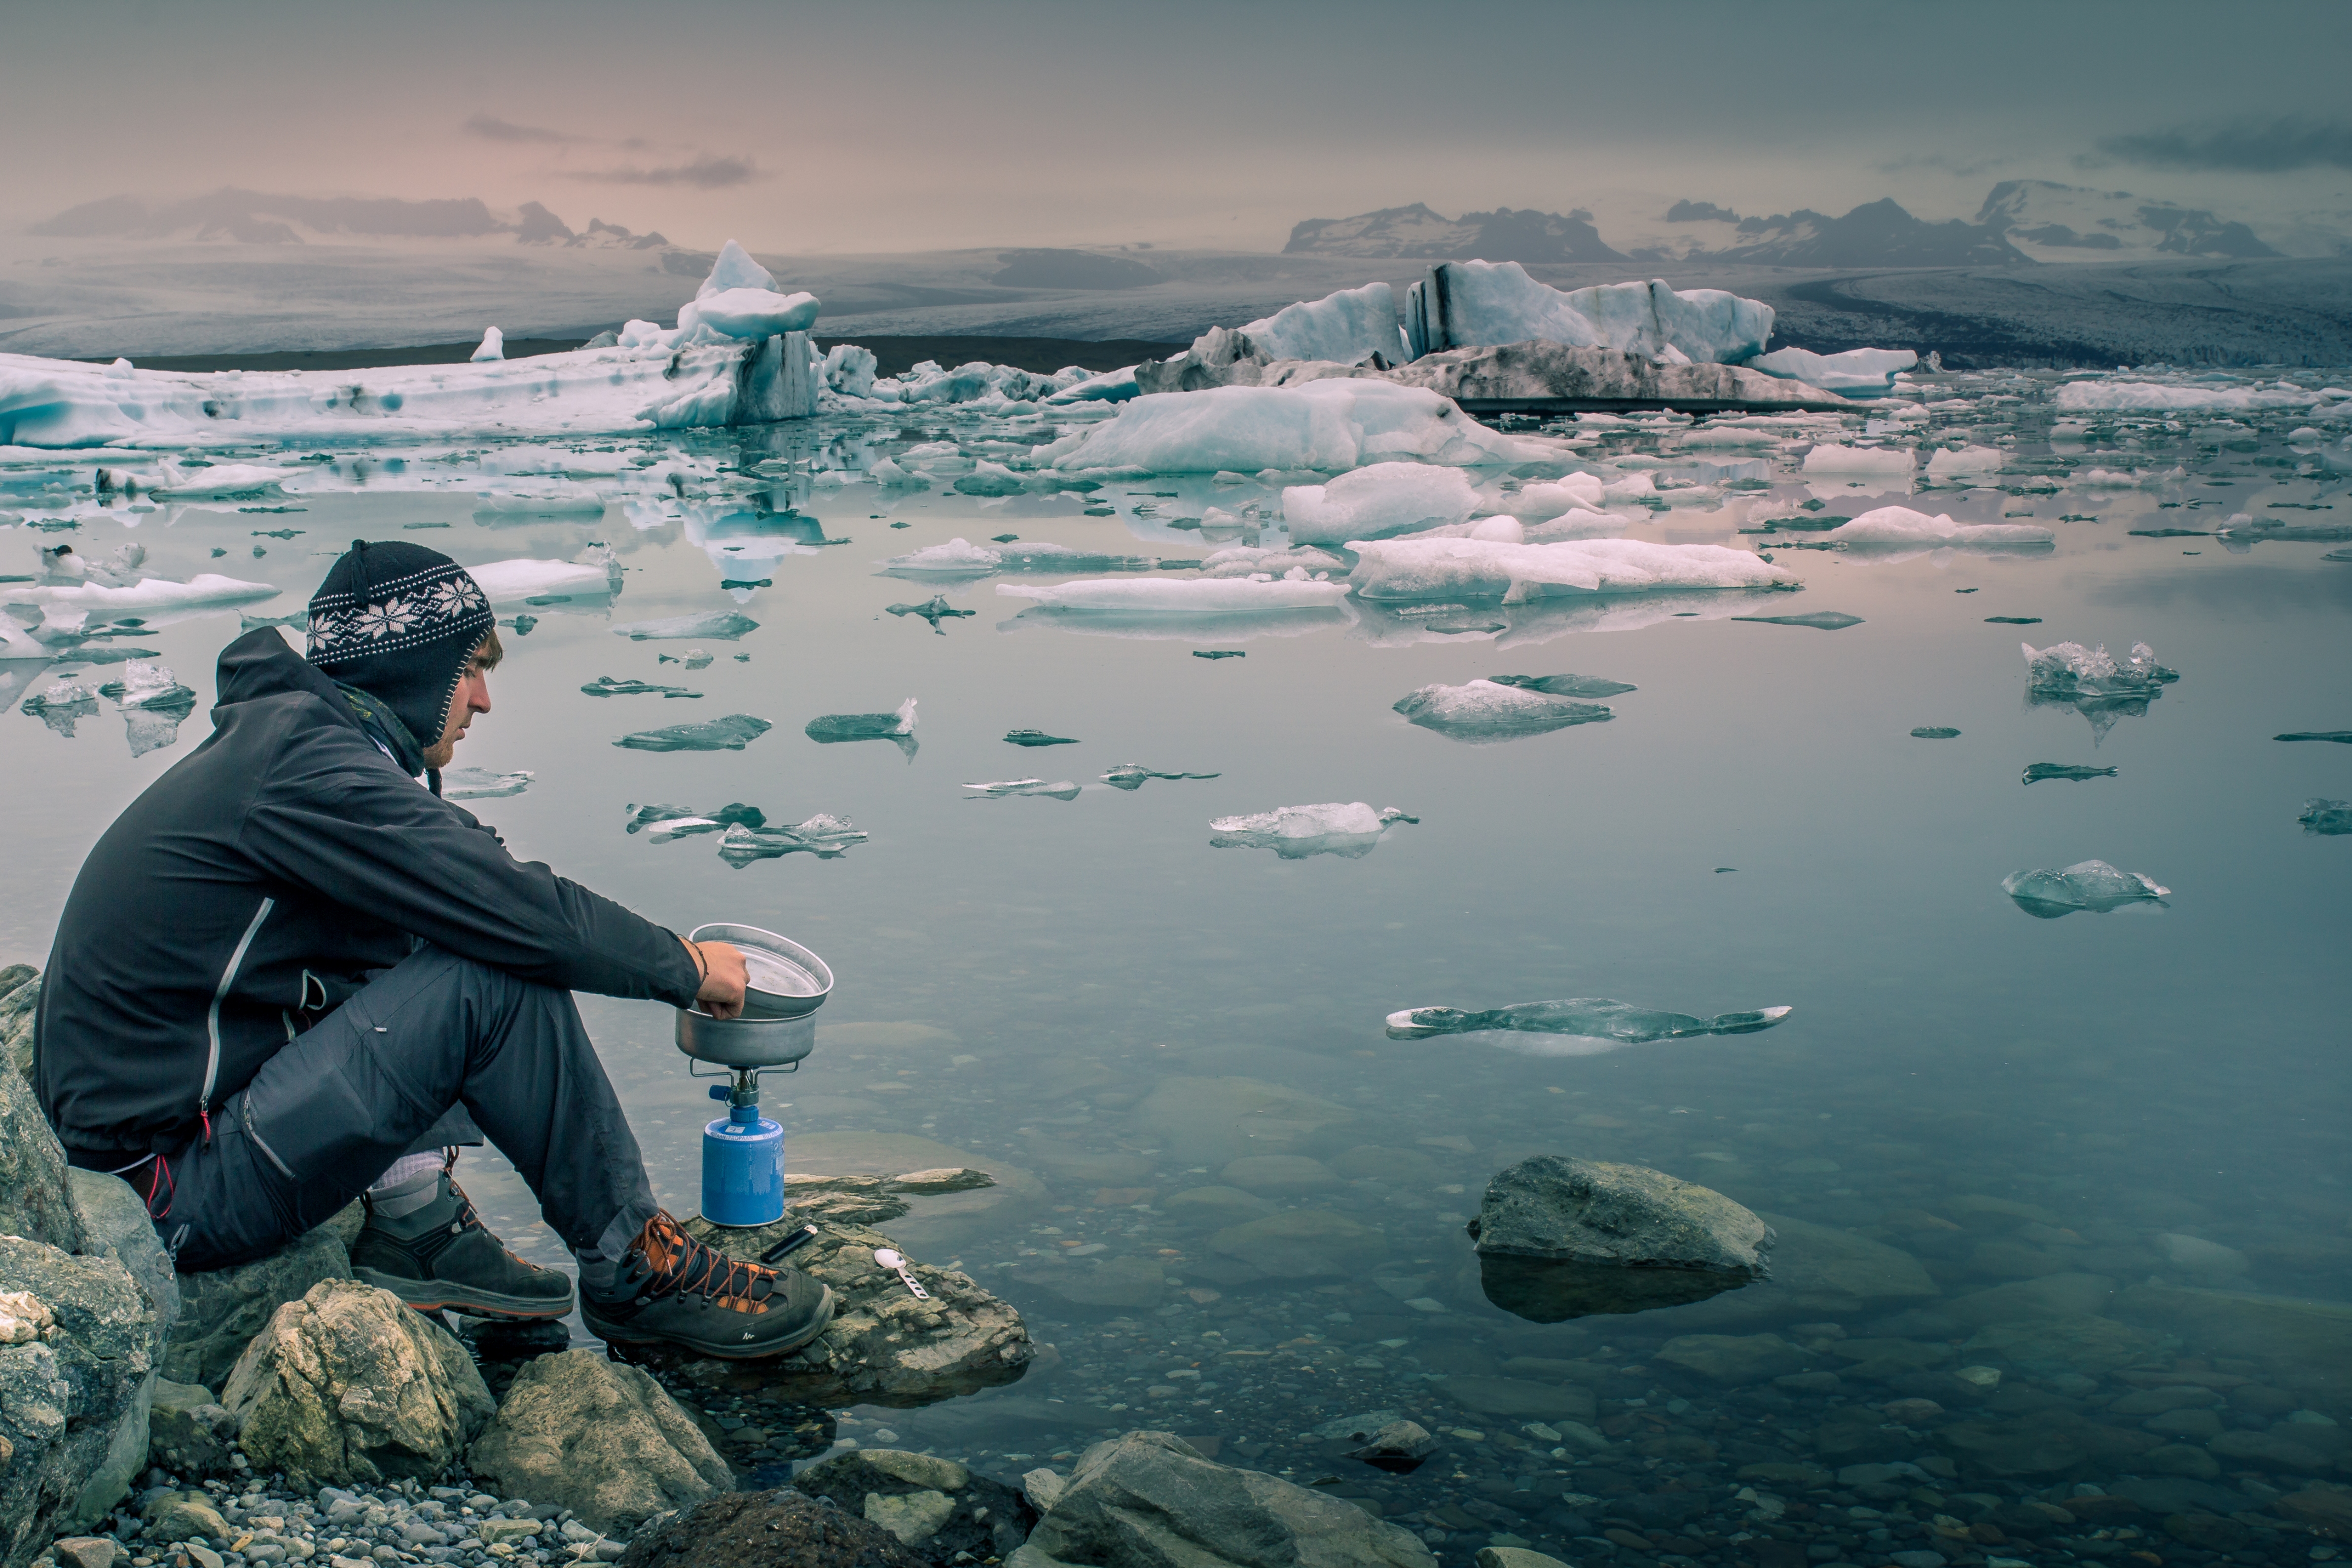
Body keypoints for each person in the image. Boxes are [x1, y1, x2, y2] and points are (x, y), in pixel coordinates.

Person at [34, 540, 832, 1359]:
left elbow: (462, 879)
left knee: (445, 919)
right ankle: (635, 1271)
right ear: (413, 671)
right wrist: (685, 967)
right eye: (472, 668)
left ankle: (416, 1225)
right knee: (492, 974)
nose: (483, 700)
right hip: (166, 1192)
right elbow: (519, 912)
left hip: (177, 1150)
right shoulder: (306, 771)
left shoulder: (296, 749)